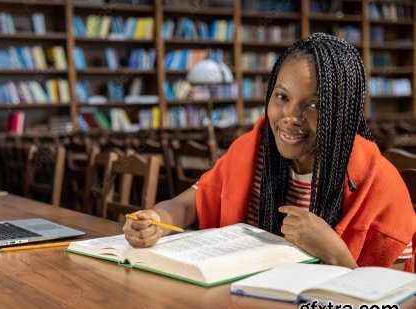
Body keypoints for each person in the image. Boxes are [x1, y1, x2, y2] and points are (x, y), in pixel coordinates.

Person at [123, 33, 415, 272]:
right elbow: (188, 205)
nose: (290, 116)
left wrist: (335, 254)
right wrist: (156, 218)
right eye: (282, 97)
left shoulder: (378, 183)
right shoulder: (251, 151)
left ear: (343, 113)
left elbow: (393, 307)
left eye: (314, 104)